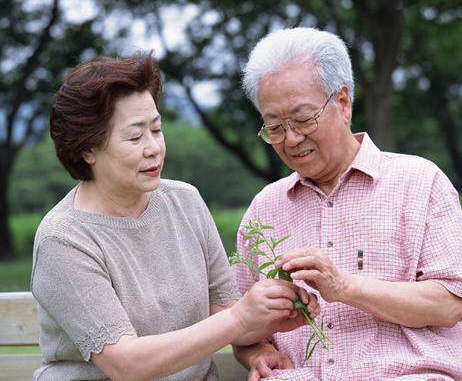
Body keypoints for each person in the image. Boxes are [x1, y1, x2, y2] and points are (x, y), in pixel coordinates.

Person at [30, 52, 320, 381]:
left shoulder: (185, 201)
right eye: (135, 136)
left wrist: (264, 330)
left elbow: (224, 311)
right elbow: (127, 365)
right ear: (87, 150)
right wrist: (241, 319)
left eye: (157, 129)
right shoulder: (64, 240)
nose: (154, 147)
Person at [232, 27, 462, 381]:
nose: (291, 139)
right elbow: (242, 327)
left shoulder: (419, 182)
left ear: (342, 103)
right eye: (274, 127)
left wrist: (343, 287)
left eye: (303, 119)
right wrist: (257, 353)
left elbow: (448, 305)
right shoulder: (264, 210)